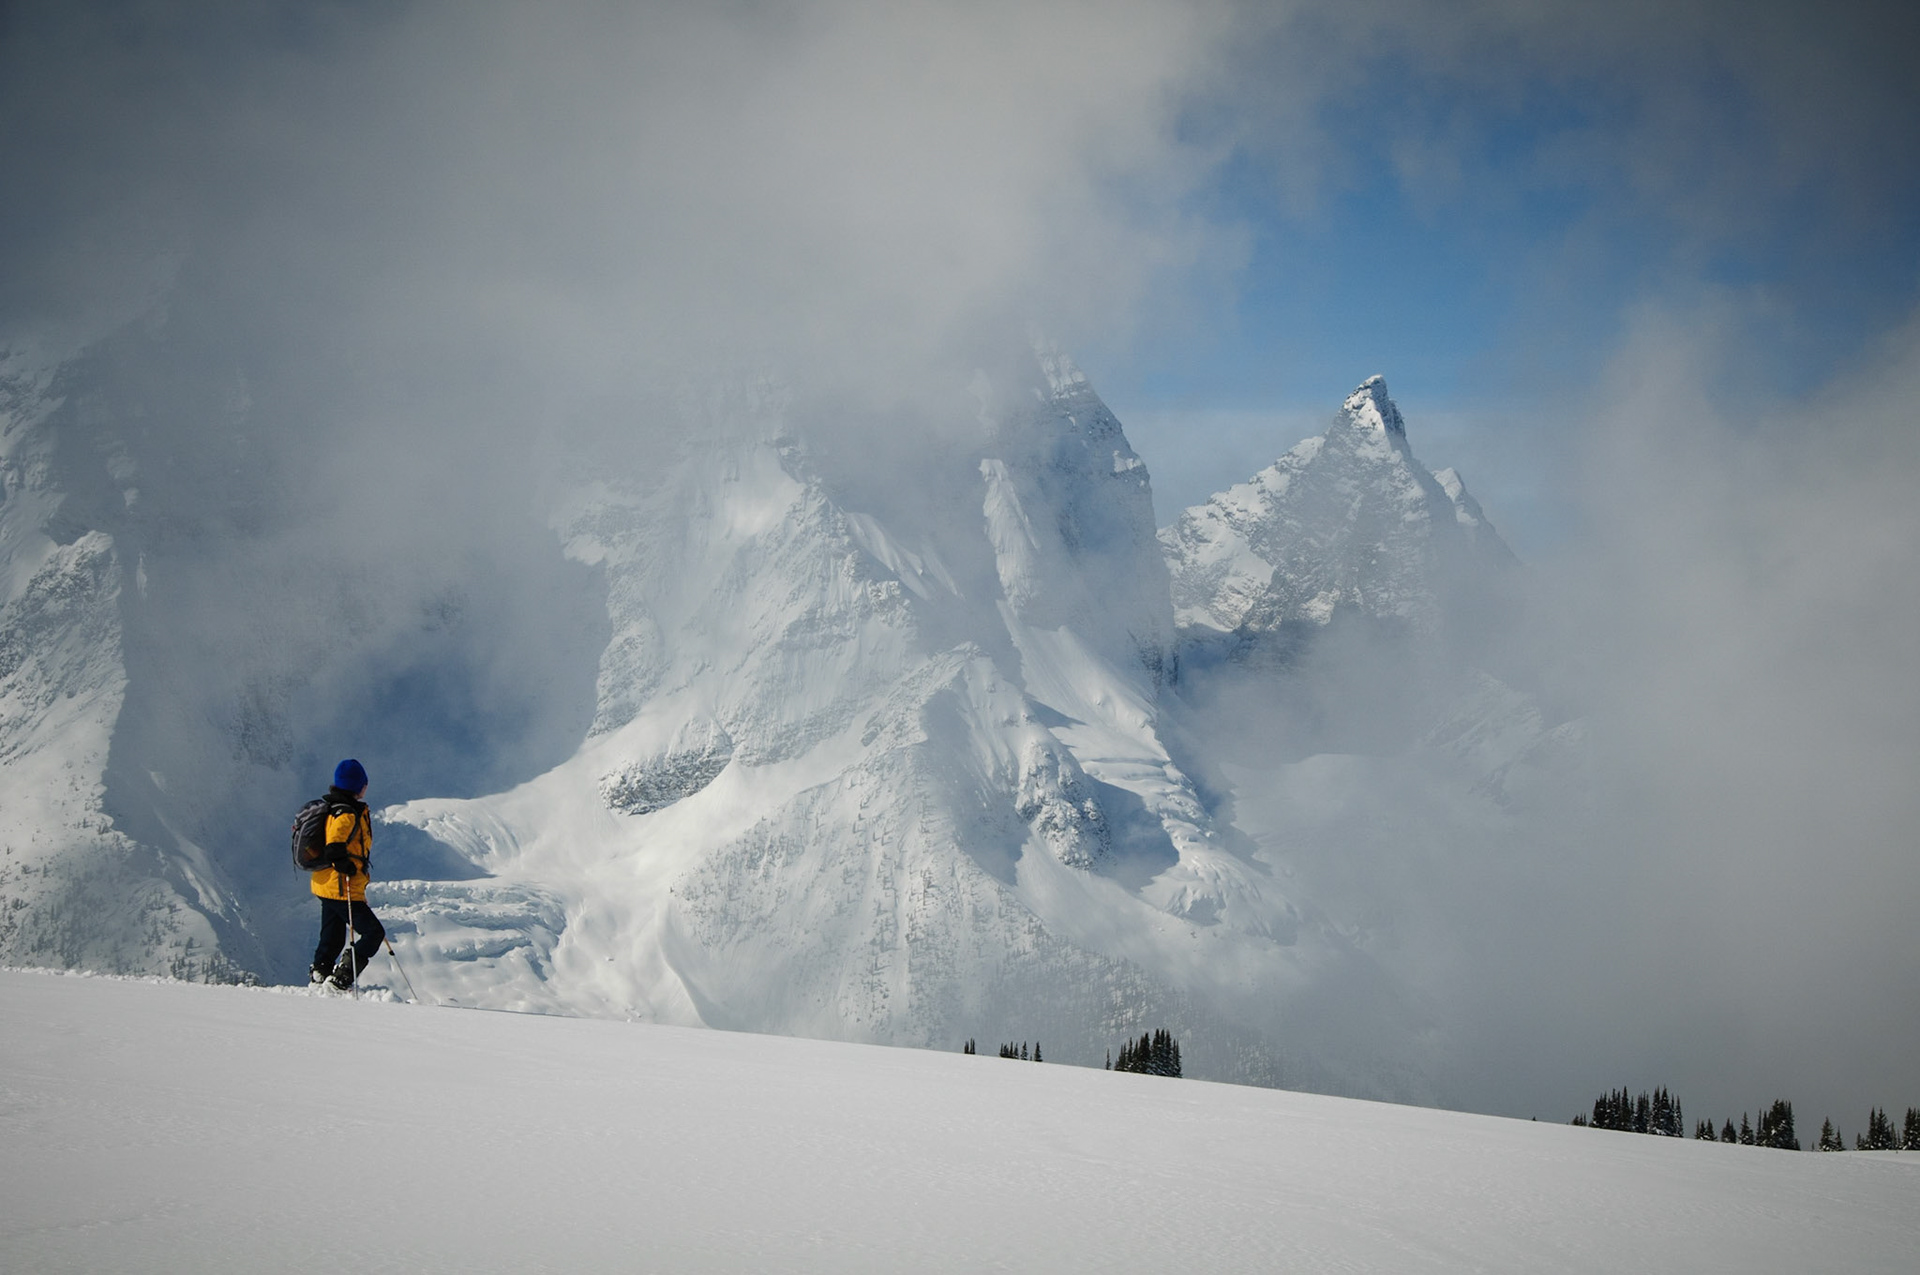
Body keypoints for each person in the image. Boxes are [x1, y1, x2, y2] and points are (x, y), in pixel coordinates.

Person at [309, 758, 385, 990]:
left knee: (332, 935)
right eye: (364, 783)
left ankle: (320, 974)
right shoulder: (347, 814)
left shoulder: (334, 808)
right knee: (373, 933)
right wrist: (347, 867)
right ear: (357, 786)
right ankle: (341, 979)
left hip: (325, 885)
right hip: (341, 887)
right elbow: (334, 847)